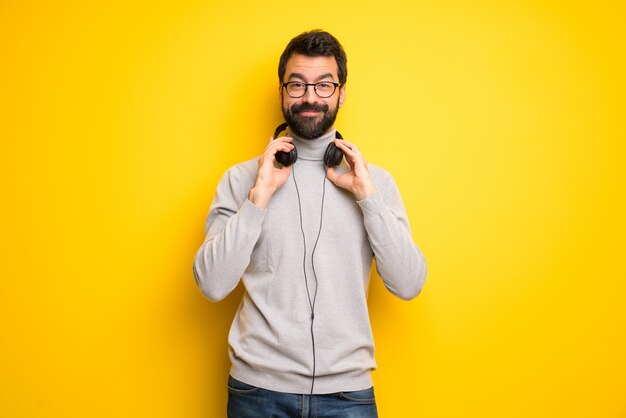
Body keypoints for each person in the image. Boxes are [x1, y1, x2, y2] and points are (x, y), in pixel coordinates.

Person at [193, 29, 427, 418]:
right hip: (257, 392)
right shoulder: (241, 180)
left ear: (341, 92)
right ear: (282, 91)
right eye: (297, 85)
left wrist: (367, 199)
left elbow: (408, 284)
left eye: (324, 85)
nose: (310, 98)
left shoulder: (376, 183)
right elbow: (212, 285)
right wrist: (258, 198)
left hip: (348, 396)